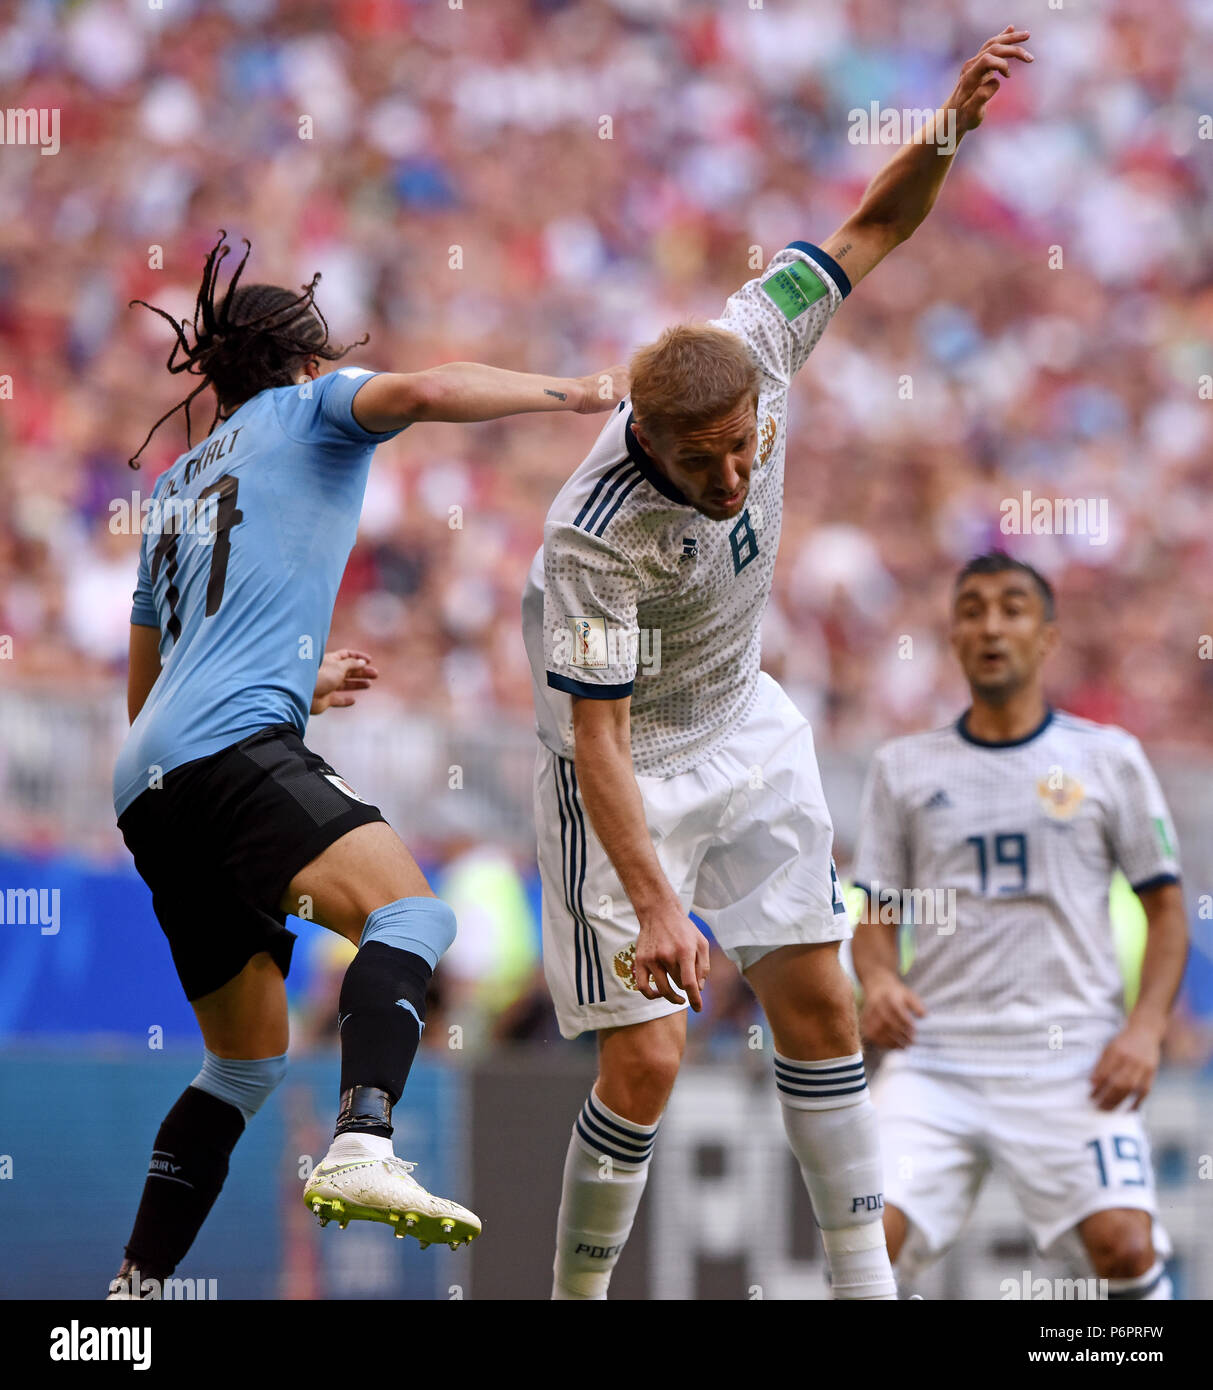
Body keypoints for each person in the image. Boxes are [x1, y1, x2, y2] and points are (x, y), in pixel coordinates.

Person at [521, 29, 1036, 1301]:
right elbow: (593, 736)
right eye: (708, 462)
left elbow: (872, 227)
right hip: (625, 771)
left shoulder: (764, 332)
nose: (737, 474)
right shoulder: (593, 543)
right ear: (646, 436)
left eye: (747, 446)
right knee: (645, 1066)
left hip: (744, 725)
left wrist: (951, 125)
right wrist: (654, 904)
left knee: (822, 1008)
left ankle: (865, 1291)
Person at [107, 231, 624, 1298]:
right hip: (230, 748)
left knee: (242, 1065)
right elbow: (429, 387)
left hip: (150, 782)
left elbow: (147, 693)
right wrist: (571, 389)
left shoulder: (168, 495)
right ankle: (363, 1138)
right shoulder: (311, 411)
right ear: (306, 360)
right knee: (414, 918)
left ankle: (133, 1291)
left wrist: (292, 688)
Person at [850, 552, 1188, 1299]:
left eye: (1010, 607)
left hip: (1069, 1059)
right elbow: (874, 912)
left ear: (1046, 638)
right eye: (970, 610)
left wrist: (1144, 1029)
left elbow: (1166, 910)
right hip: (934, 1059)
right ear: (953, 638)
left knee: (1125, 1249)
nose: (989, 624)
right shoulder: (903, 767)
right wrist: (875, 978)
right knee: (864, 1250)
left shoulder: (1107, 759)